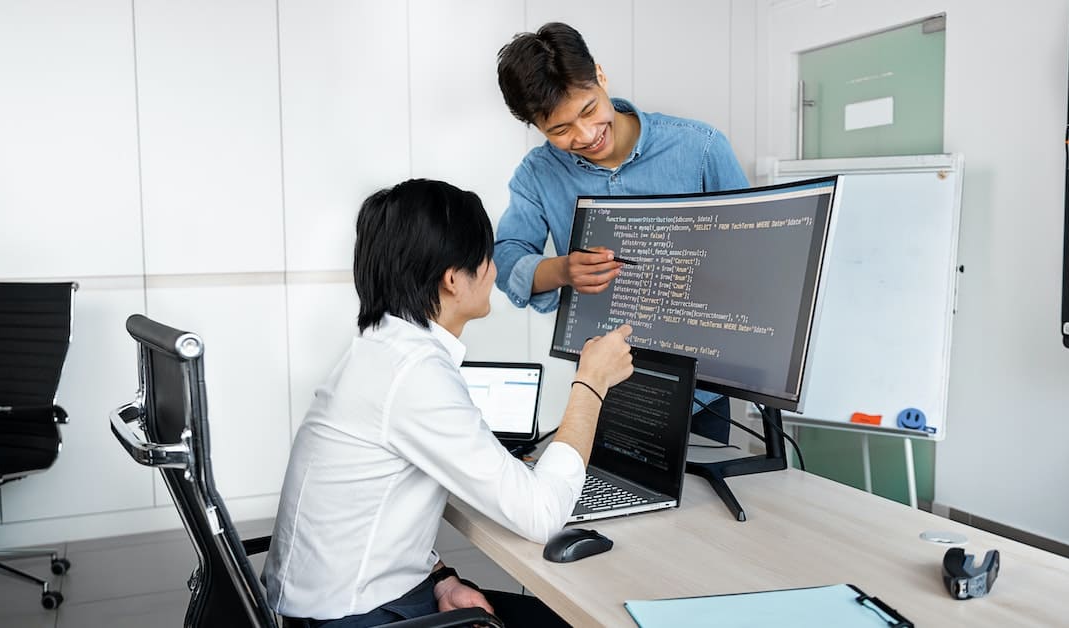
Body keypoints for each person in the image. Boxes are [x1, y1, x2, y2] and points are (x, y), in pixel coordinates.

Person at [262, 179, 634, 628]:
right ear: (453, 279)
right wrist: (591, 381)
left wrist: (441, 578)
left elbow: (372, 518)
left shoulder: (383, 350)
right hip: (359, 617)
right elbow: (542, 515)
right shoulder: (413, 373)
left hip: (341, 602)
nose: (494, 272)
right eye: (488, 259)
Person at [493, 22, 748, 426]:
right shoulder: (536, 174)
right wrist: (563, 270)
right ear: (536, 127)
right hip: (601, 389)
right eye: (560, 130)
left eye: (589, 110)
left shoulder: (700, 148)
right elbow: (506, 258)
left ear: (600, 75)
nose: (587, 135)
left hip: (701, 390)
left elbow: (754, 252)